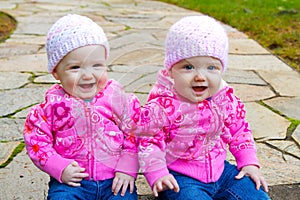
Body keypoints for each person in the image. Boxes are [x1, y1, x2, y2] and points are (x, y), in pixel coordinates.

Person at [137, 15, 270, 199]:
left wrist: (248, 163)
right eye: (188, 67)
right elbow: (149, 141)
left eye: (211, 68)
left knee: (256, 195)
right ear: (171, 71)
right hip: (180, 177)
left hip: (222, 173)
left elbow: (239, 130)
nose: (200, 76)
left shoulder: (224, 100)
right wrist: (158, 173)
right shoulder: (163, 106)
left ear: (221, 70)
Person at [23, 14, 140, 200]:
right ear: (56, 72)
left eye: (97, 65)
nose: (87, 75)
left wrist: (127, 168)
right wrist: (59, 167)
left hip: (115, 181)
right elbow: (37, 142)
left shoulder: (119, 100)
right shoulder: (50, 109)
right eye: (75, 67)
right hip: (72, 183)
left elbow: (135, 134)